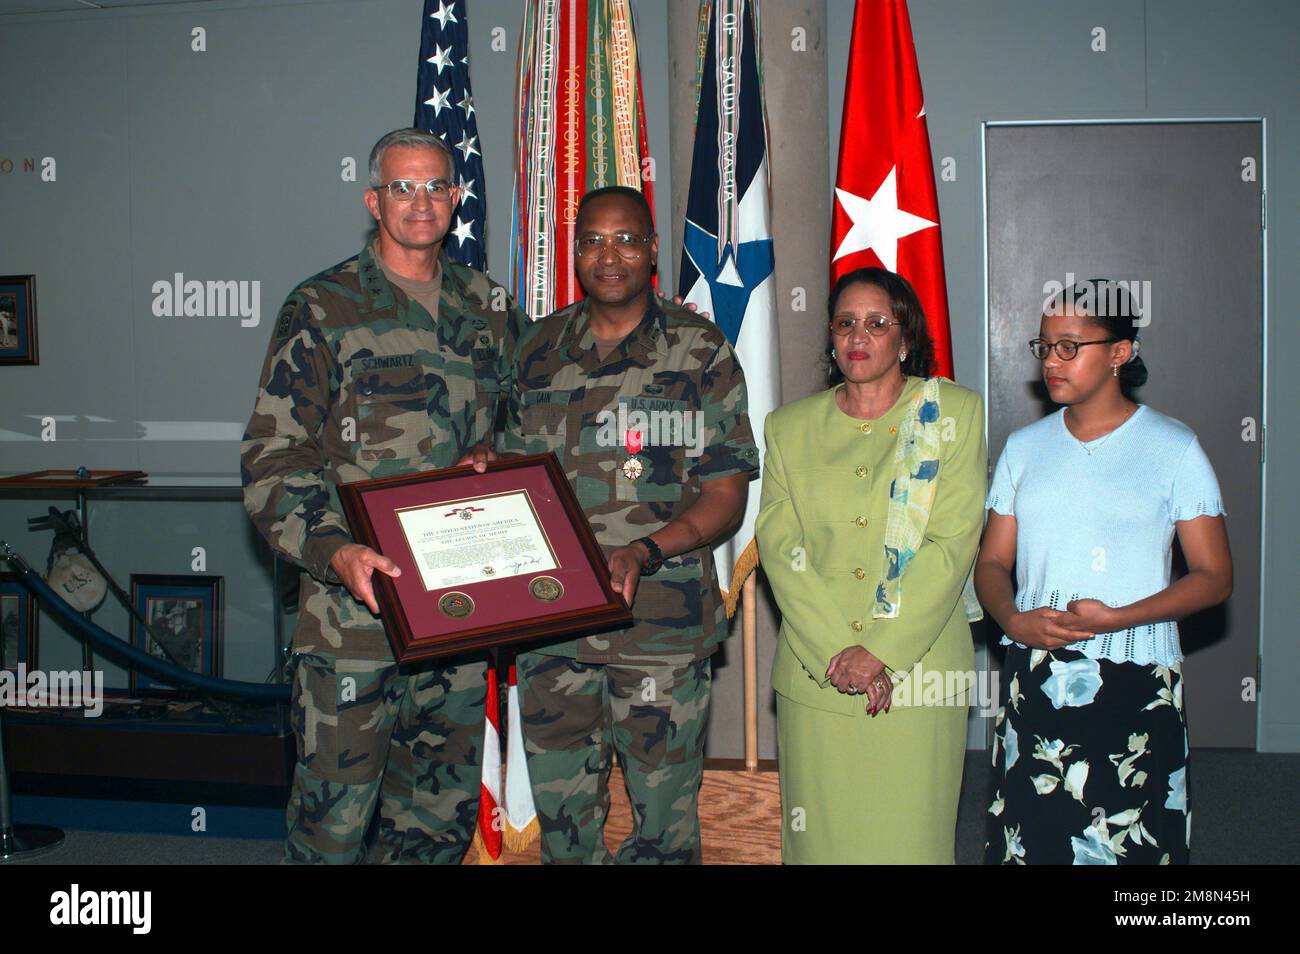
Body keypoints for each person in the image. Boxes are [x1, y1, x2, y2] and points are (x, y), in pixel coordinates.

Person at [241, 128, 527, 864]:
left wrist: (498, 456)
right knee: (332, 828)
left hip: (459, 615)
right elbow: (274, 458)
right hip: (354, 624)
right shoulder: (322, 306)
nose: (421, 202)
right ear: (375, 200)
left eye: (436, 186)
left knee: (435, 824)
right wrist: (334, 551)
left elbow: (524, 427)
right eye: (404, 187)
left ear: (456, 199)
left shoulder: (489, 306)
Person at [496, 185, 758, 863]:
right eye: (592, 240)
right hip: (552, 628)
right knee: (564, 826)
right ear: (574, 250)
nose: (608, 256)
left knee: (663, 832)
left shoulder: (698, 351)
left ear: (651, 251)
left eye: (625, 240)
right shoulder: (535, 349)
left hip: (661, 632)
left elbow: (727, 494)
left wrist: (644, 550)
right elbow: (508, 478)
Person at [978, 279, 1232, 865]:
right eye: (1044, 347)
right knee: (1034, 837)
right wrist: (1014, 619)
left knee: (1130, 846)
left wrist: (1121, 616)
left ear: (1121, 352)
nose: (1052, 362)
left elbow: (1215, 577)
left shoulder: (1174, 448)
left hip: (1136, 680)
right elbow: (991, 561)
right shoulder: (1023, 448)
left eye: (1071, 346)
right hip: (1036, 673)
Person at [755, 266, 986, 864]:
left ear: (904, 338)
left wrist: (880, 649)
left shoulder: (953, 415)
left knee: (910, 841)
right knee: (822, 843)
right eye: (846, 323)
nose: (859, 336)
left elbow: (951, 543)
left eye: (877, 323)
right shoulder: (788, 428)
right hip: (817, 672)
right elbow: (781, 551)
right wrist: (842, 652)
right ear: (831, 338)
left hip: (919, 672)